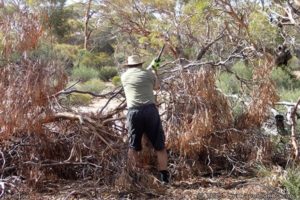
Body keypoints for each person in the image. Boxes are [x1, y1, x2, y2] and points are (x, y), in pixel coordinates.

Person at [121, 55, 169, 184]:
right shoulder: (148, 74)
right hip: (150, 110)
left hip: (133, 112)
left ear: (128, 65)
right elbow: (157, 86)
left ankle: (133, 176)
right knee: (159, 145)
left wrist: (151, 69)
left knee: (133, 146)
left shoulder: (124, 76)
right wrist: (155, 69)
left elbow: (138, 76)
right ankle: (164, 176)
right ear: (141, 64)